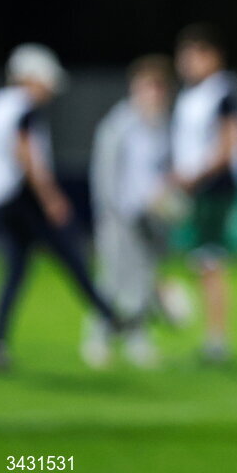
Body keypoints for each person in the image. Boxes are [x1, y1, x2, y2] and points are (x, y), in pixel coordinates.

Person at [0, 43, 122, 371]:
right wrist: (50, 197)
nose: (50, 91)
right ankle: (111, 317)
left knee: (15, 269)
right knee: (69, 252)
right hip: (16, 196)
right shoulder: (23, 106)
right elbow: (23, 152)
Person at [82, 55, 177, 369]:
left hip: (149, 216)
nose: (153, 94)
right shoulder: (118, 124)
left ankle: (137, 339)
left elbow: (162, 172)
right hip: (118, 215)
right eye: (147, 87)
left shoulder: (162, 127)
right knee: (112, 278)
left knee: (142, 280)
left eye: (158, 88)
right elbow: (105, 173)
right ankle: (97, 337)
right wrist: (108, 213)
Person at [171, 24, 237, 363]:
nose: (187, 63)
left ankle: (217, 339)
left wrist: (194, 175)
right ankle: (211, 334)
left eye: (193, 55)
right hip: (195, 185)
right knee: (199, 260)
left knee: (210, 260)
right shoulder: (192, 95)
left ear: (212, 56)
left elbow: (228, 144)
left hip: (215, 185)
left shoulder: (223, 92)